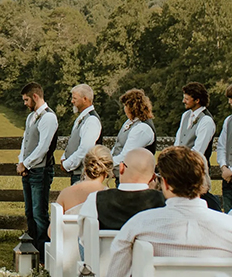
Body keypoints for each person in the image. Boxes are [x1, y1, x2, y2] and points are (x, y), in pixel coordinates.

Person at [107, 146, 232, 277]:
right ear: (202, 181)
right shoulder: (228, 226)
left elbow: (116, 272)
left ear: (165, 183)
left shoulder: (139, 225)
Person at [17, 82, 58, 256]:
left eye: (26, 99)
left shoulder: (48, 117)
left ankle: (43, 252)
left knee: (39, 213)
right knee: (29, 211)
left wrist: (26, 164)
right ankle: (31, 248)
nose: (25, 103)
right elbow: (25, 142)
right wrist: (21, 162)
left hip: (40, 171)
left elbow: (43, 148)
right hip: (28, 170)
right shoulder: (30, 117)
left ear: (35, 96)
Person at [79, 148, 165, 232]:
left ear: (121, 168)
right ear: (153, 177)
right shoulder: (164, 202)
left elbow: (84, 237)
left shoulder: (95, 200)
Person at [174, 81, 219, 209]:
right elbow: (178, 141)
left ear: (197, 100)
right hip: (180, 169)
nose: (184, 101)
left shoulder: (206, 121)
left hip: (196, 171)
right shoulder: (185, 116)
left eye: (187, 99)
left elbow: (198, 151)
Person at [53, 145, 112, 217]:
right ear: (107, 173)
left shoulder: (66, 194)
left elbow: (53, 227)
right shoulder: (112, 199)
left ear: (84, 168)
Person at [111, 89, 156, 181]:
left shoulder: (142, 128)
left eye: (125, 106)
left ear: (132, 107)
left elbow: (127, 155)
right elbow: (118, 145)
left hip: (133, 178)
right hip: (122, 175)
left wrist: (106, 164)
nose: (124, 109)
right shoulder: (130, 122)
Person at [61, 85, 102, 185]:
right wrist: (64, 157)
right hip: (78, 173)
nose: (72, 101)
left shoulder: (91, 120)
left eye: (74, 98)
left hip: (84, 175)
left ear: (85, 99)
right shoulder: (83, 118)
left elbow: (85, 149)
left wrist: (67, 164)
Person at [216, 84, 232, 212]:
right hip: (228, 180)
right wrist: (223, 167)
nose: (230, 102)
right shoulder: (228, 121)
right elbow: (221, 146)